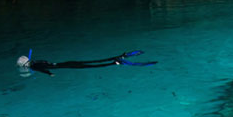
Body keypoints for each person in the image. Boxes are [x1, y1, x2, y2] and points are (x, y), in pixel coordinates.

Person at [16, 50, 156, 76]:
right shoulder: (35, 61)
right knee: (90, 62)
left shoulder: (34, 65)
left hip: (63, 66)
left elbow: (41, 69)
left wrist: (49, 74)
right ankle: (121, 56)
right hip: (63, 62)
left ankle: (116, 63)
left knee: (89, 66)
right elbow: (44, 63)